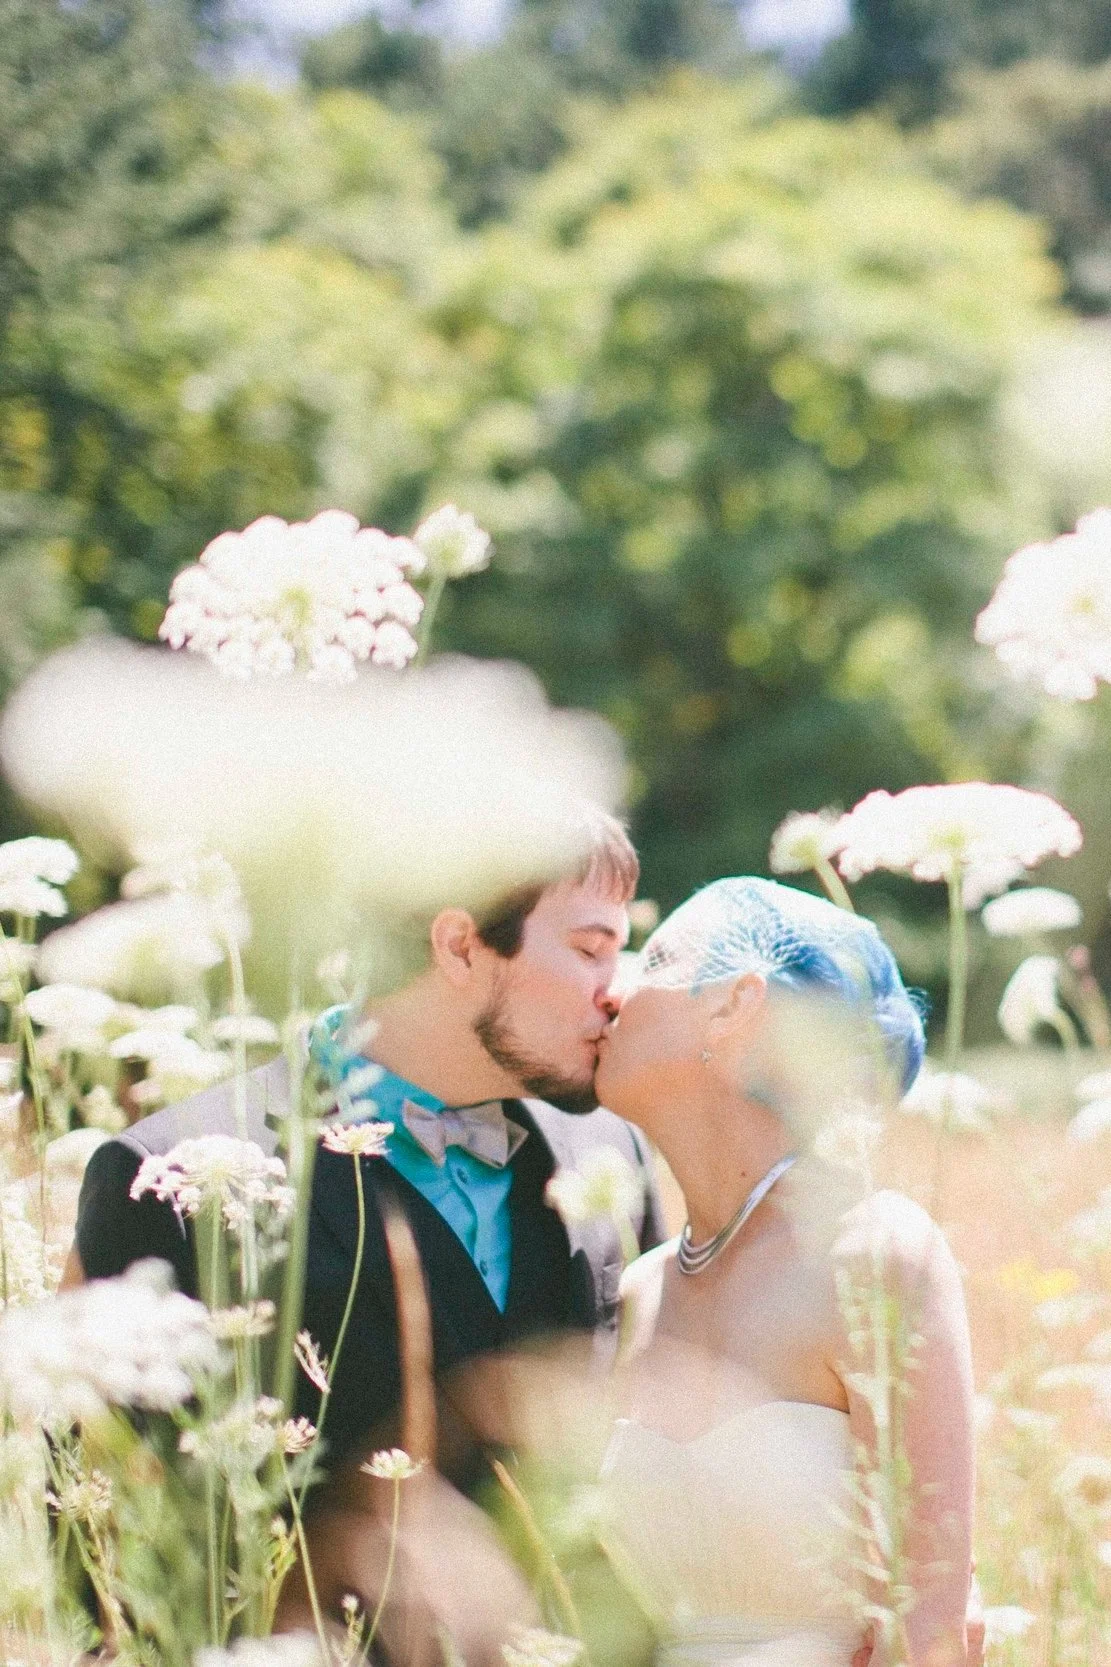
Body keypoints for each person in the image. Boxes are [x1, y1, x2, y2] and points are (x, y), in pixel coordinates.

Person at [64, 810, 667, 1655]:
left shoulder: (611, 1151)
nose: (619, 984)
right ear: (459, 946)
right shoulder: (172, 1176)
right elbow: (104, 1559)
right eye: (592, 946)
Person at [591, 877, 977, 1667]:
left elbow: (933, 1624)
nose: (612, 990)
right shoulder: (639, 1291)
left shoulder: (874, 1252)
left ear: (733, 1003)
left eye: (654, 956)